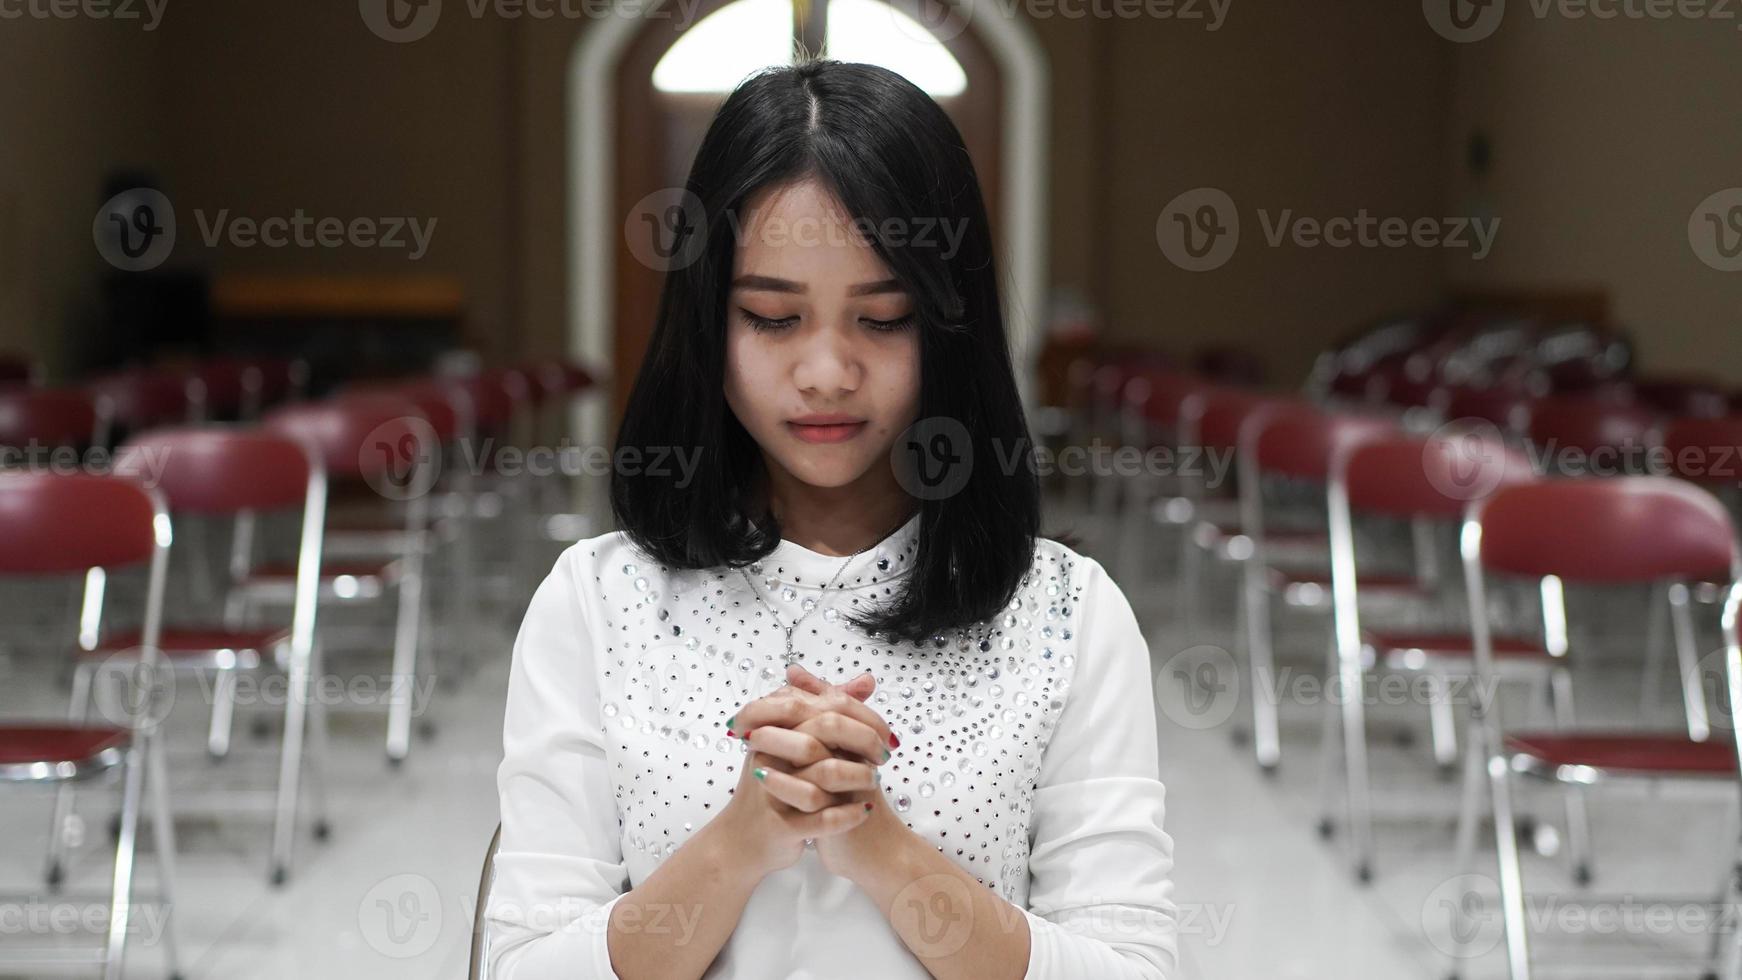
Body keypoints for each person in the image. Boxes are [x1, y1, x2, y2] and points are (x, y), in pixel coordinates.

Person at [488, 59, 1177, 979]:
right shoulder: (599, 601)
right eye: (773, 318)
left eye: (883, 319)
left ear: (948, 328)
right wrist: (736, 845)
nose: (825, 372)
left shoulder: (1061, 614)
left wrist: (883, 854)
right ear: (708, 325)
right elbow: (522, 966)